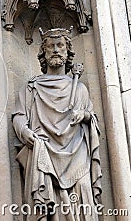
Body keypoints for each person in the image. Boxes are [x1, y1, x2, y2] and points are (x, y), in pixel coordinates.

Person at [12, 27, 102, 220]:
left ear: (67, 51)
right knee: (48, 200)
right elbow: (19, 115)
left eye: (60, 45)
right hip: (43, 150)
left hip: (76, 152)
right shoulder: (31, 88)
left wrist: (84, 116)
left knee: (84, 190)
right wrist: (25, 132)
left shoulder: (79, 89)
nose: (55, 49)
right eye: (50, 46)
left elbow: (91, 118)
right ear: (43, 52)